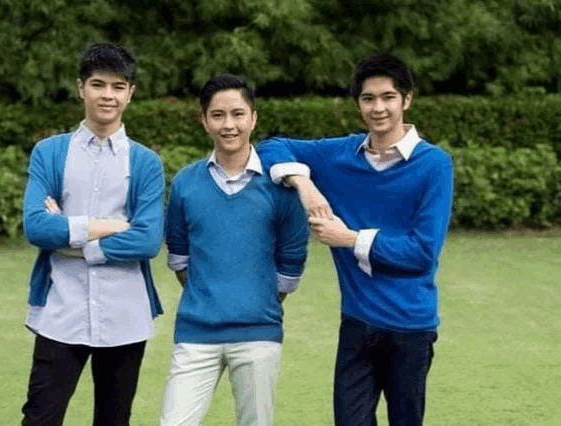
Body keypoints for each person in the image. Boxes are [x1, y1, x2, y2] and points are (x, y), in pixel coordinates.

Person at [256, 54, 454, 426]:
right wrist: (306, 185)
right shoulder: (339, 154)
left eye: (388, 97)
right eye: (368, 98)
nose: (378, 108)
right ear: (358, 103)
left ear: (406, 99)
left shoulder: (434, 164)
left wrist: (349, 239)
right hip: (358, 323)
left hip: (411, 326)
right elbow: (271, 146)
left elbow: (422, 252)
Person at [20, 42, 165, 426]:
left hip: (125, 313)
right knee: (40, 417)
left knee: (114, 420)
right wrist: (111, 227)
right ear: (81, 87)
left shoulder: (146, 162)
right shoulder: (49, 152)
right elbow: (36, 226)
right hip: (60, 310)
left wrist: (72, 239)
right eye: (99, 84)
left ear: (130, 93)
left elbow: (148, 241)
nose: (108, 95)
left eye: (118, 87)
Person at [160, 74, 309, 426]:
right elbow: (179, 256)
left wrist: (254, 302)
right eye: (218, 115)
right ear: (204, 121)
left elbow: (291, 263)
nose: (229, 125)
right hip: (196, 333)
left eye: (238, 114)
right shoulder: (185, 183)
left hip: (259, 334)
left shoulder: (281, 188)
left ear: (253, 118)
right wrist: (212, 298)